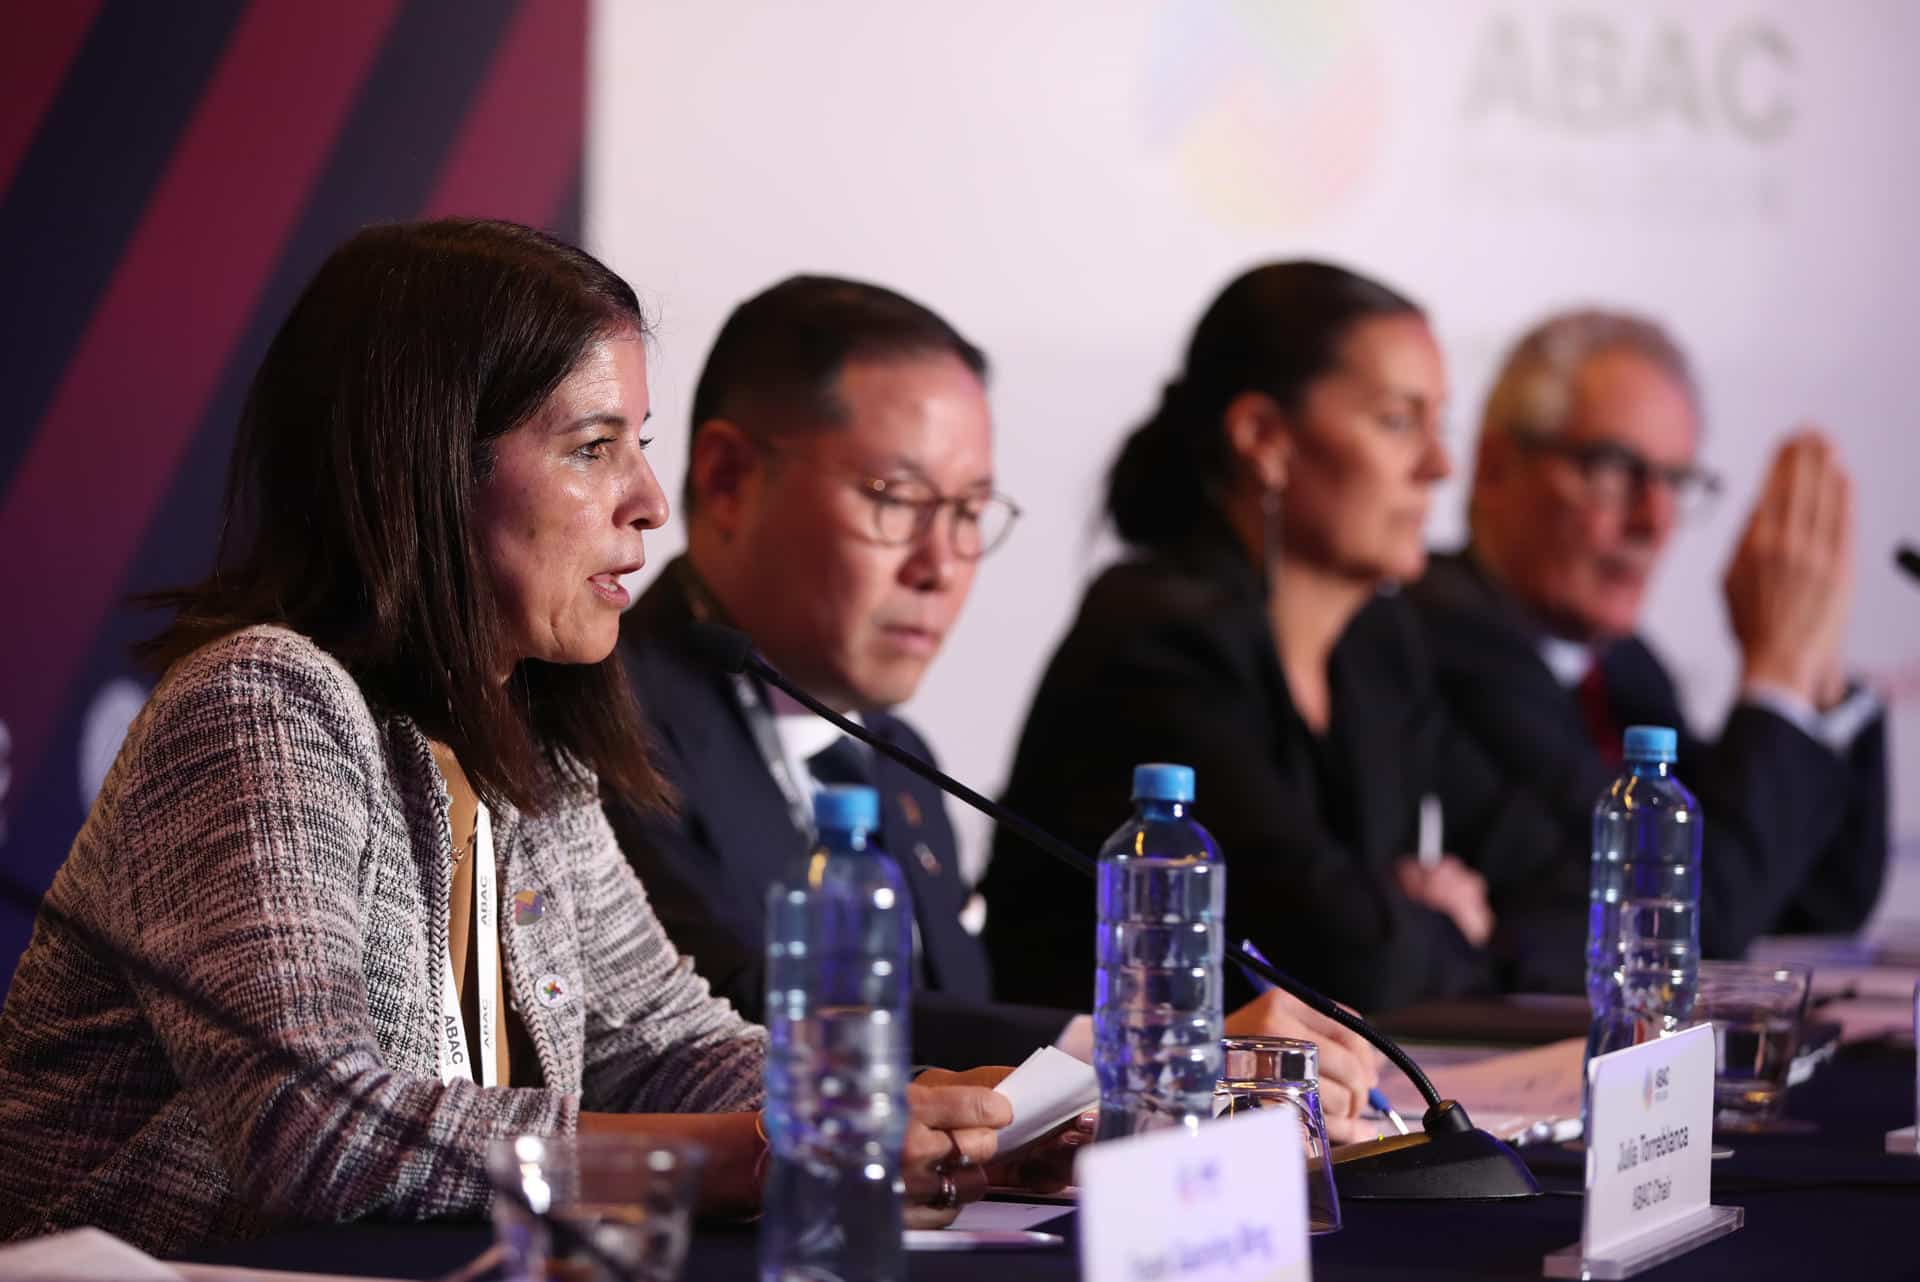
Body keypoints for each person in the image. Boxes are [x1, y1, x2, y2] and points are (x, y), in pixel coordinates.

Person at [0, 221, 1014, 1255]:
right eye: (591, 449)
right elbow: (312, 1131)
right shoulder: (261, 702)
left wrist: (938, 1115)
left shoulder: (536, 743)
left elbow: (665, 1045)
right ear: (432, 468)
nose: (649, 504)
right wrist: (756, 1149)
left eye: (640, 446)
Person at [605, 274, 1386, 1138]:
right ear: (726, 480)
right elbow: (737, 1015)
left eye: (970, 512)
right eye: (897, 501)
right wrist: (1138, 1048)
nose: (941, 566)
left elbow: (944, 1032)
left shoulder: (897, 758)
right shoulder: (608, 724)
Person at [980, 261, 1584, 1019]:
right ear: (1264, 438)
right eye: (1399, 422)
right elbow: (1340, 959)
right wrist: (1430, 921)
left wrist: (1447, 930)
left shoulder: (1378, 642)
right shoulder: (1159, 639)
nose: (1440, 466)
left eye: (1441, 425)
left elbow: (1567, 884)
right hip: (1109, 1119)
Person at [1409, 309, 1888, 958]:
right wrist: (1775, 676)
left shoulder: (1629, 666)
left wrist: (1814, 672)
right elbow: (1679, 923)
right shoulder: (1442, 635)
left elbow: (1815, 903)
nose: (1656, 520)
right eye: (1613, 467)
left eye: (1675, 480)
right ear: (1494, 467)